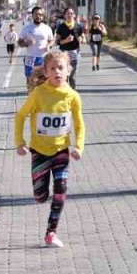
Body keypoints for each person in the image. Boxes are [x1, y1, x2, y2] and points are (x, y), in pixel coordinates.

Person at [15, 50, 85, 248]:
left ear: (69, 70)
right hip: (39, 151)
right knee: (40, 197)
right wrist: (20, 142)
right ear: (45, 72)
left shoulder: (73, 96)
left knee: (61, 190)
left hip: (61, 150)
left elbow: (80, 124)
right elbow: (20, 116)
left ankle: (51, 233)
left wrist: (79, 146)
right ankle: (41, 196)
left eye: (61, 68)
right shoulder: (38, 94)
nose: (57, 72)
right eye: (52, 68)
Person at [19, 6, 55, 85]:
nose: (39, 16)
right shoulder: (26, 28)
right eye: (36, 14)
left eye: (40, 14)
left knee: (43, 80)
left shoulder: (47, 28)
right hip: (30, 57)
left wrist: (49, 45)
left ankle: (41, 96)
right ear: (32, 15)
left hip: (43, 57)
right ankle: (31, 95)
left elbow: (51, 40)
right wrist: (26, 43)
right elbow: (19, 42)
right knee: (30, 79)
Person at [56, 8, 82, 88]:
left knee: (72, 75)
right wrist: (66, 40)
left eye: (71, 13)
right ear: (65, 15)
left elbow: (83, 38)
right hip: (64, 52)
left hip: (75, 52)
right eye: (68, 13)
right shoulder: (61, 27)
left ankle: (72, 92)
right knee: (65, 74)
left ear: (74, 15)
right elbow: (57, 41)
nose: (70, 15)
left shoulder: (78, 26)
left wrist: (82, 39)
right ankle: (65, 91)